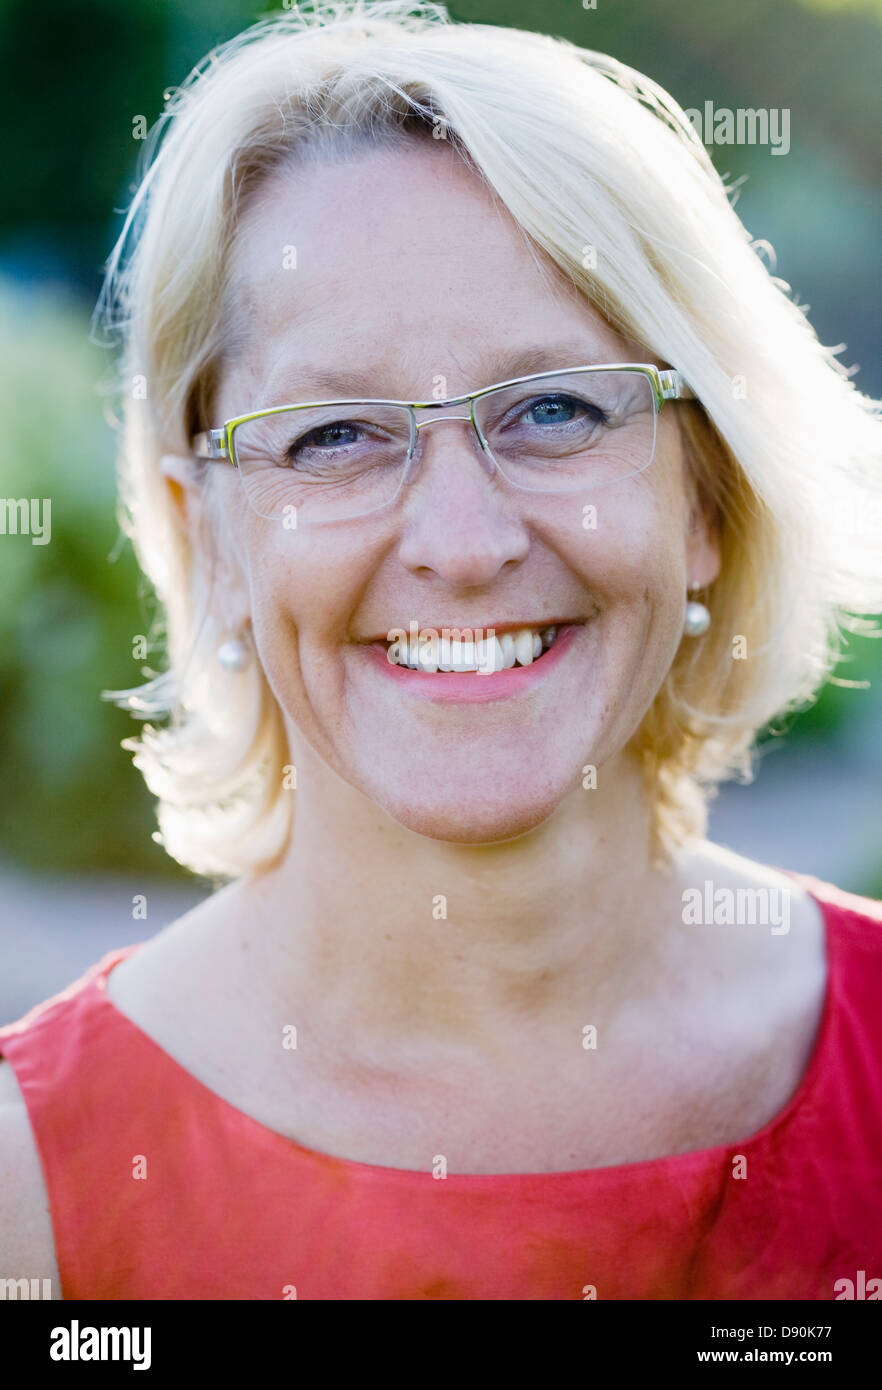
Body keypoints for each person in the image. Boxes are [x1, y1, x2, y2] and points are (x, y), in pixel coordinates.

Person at [2, 0, 881, 1301]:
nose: (461, 544)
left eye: (553, 409)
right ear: (217, 542)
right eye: (334, 436)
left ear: (705, 497)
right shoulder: (30, 1186)